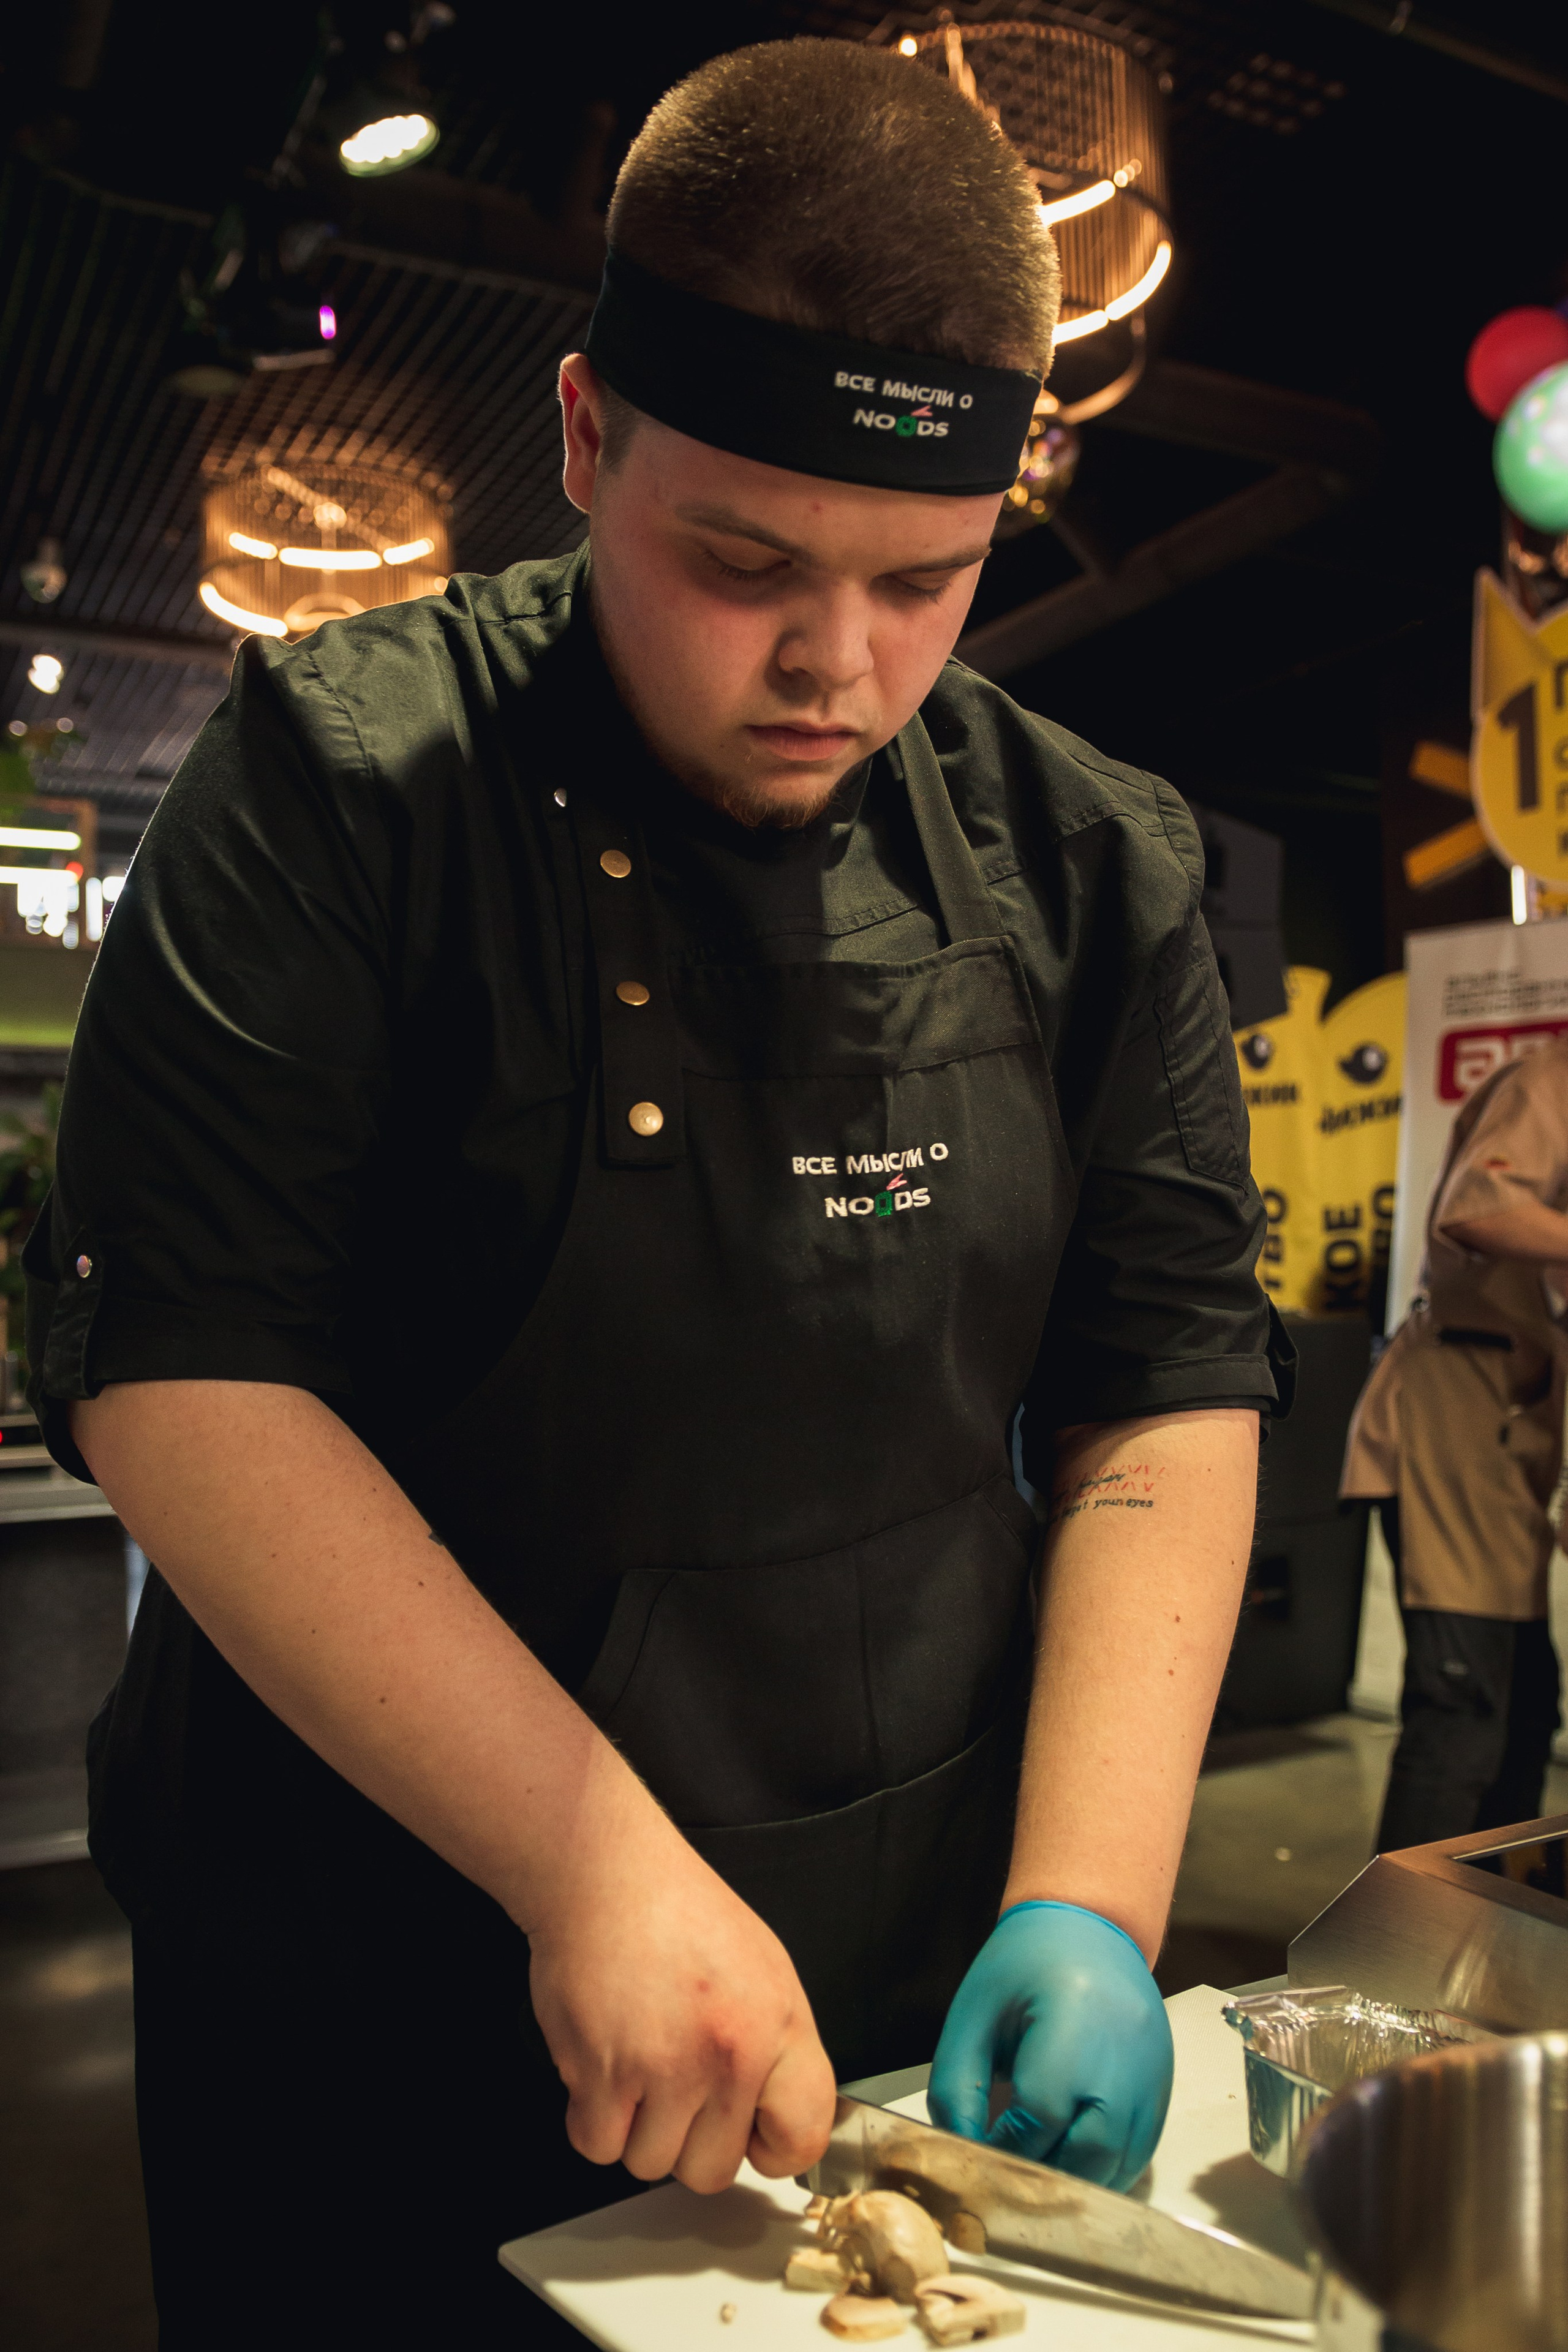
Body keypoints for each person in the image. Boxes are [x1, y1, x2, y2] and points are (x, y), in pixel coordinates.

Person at [26, 40, 1288, 2350]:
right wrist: (585, 1850)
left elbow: (1170, 1377)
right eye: (746, 562)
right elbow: (184, 1373)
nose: (842, 665)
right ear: (591, 440)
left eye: (930, 580)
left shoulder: (1094, 861)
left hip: (893, 1980)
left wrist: (1093, 1897)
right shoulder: (337, 789)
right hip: (377, 1969)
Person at [1343, 1036, 1568, 1853]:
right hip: (1456, 1416)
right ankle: (1401, 1947)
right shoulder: (1552, 1079)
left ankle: (1492, 1922)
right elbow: (1476, 1205)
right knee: (1464, 1706)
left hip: (1514, 1440)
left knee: (1528, 1705)